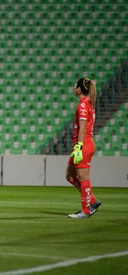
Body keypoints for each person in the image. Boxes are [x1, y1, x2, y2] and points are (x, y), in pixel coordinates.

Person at [66, 78, 102, 218]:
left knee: (82, 177)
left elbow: (82, 128)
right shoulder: (88, 104)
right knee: (70, 176)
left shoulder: (82, 105)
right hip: (81, 144)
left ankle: (86, 210)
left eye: (75, 86)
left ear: (79, 89)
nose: (74, 88)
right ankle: (92, 201)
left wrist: (79, 147)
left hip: (84, 143)